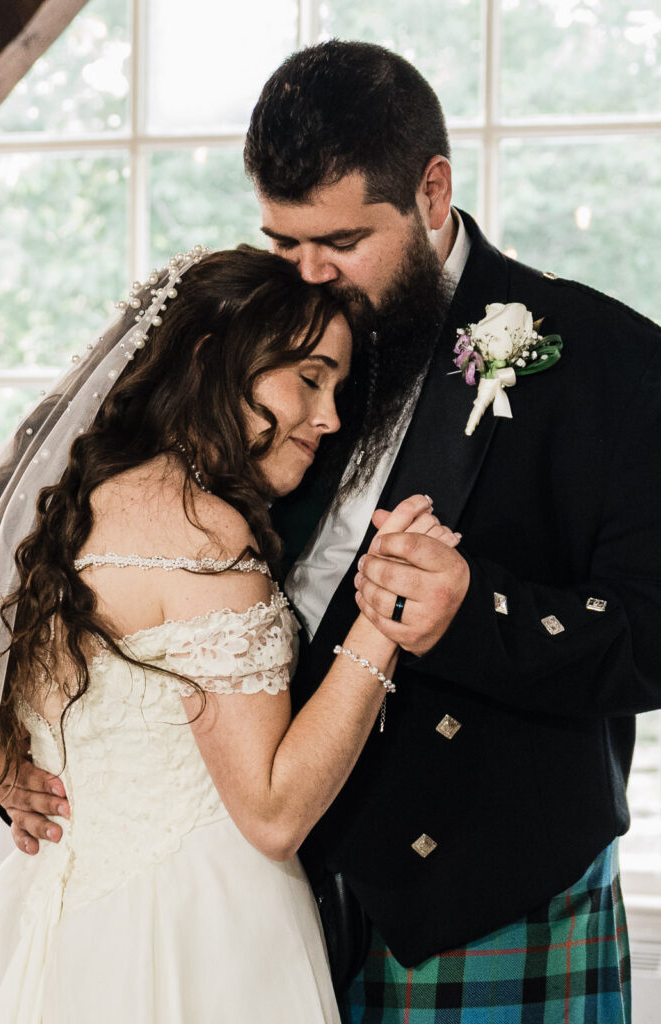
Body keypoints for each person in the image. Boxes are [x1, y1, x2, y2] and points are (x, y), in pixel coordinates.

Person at [241, 41, 661, 1023]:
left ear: (431, 191)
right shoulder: (252, 338)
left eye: (340, 242)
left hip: (494, 892)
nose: (307, 275)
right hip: (271, 878)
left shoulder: (610, 361)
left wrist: (477, 611)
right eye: (279, 240)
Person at [0, 244, 459, 1022]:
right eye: (307, 378)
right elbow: (272, 813)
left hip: (64, 930)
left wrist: (1, 758)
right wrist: (384, 619)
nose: (330, 418)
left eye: (334, 386)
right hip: (200, 935)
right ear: (210, 357)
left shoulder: (68, 502)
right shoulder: (204, 534)